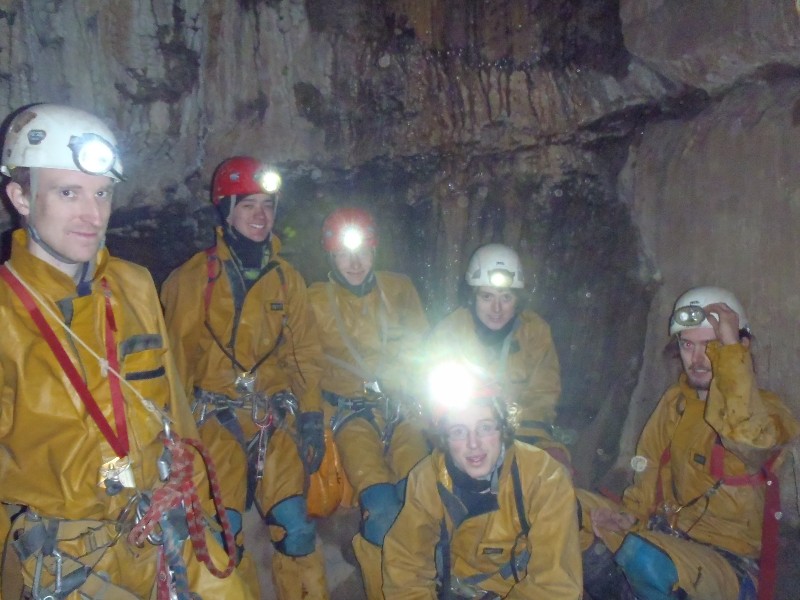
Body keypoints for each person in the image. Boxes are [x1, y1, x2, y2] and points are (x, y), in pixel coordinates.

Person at [0, 104, 252, 598]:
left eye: (102, 193)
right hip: (62, 552)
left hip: (160, 520)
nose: (92, 216)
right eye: (68, 192)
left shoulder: (134, 286)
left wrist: (197, 505)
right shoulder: (6, 314)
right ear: (20, 197)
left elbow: (176, 412)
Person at [160, 156, 329, 599]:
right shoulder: (193, 279)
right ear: (227, 211)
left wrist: (311, 417)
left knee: (296, 528)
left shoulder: (287, 279)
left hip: (271, 419)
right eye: (249, 205)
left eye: (268, 206)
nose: (261, 216)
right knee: (222, 534)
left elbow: (305, 354)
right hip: (215, 421)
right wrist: (174, 439)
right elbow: (175, 363)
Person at [579, 286, 799, 600]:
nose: (697, 359)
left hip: (727, 562)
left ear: (738, 347)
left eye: (711, 346)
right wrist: (629, 515)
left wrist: (733, 352)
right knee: (563, 507)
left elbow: (750, 442)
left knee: (644, 558)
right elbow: (648, 465)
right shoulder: (674, 403)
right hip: (665, 535)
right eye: (687, 345)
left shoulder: (770, 411)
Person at [307, 206, 431, 599]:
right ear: (331, 256)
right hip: (349, 414)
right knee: (381, 510)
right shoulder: (313, 300)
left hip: (402, 411)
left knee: (423, 502)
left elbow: (423, 348)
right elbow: (301, 361)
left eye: (362, 252)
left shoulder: (399, 289)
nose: (355, 263)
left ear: (375, 251)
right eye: (345, 254)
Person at [382, 360, 583, 599]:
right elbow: (405, 567)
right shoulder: (427, 479)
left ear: (503, 429)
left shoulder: (543, 477)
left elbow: (554, 587)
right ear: (444, 438)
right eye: (458, 431)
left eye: (485, 428)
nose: (473, 443)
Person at [427, 243, 569, 465]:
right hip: (466, 435)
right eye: (487, 297)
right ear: (472, 297)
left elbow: (543, 394)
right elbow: (434, 399)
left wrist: (517, 436)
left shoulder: (534, 332)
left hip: (522, 433)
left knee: (555, 468)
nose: (496, 308)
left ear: (518, 300)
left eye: (506, 297)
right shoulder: (449, 333)